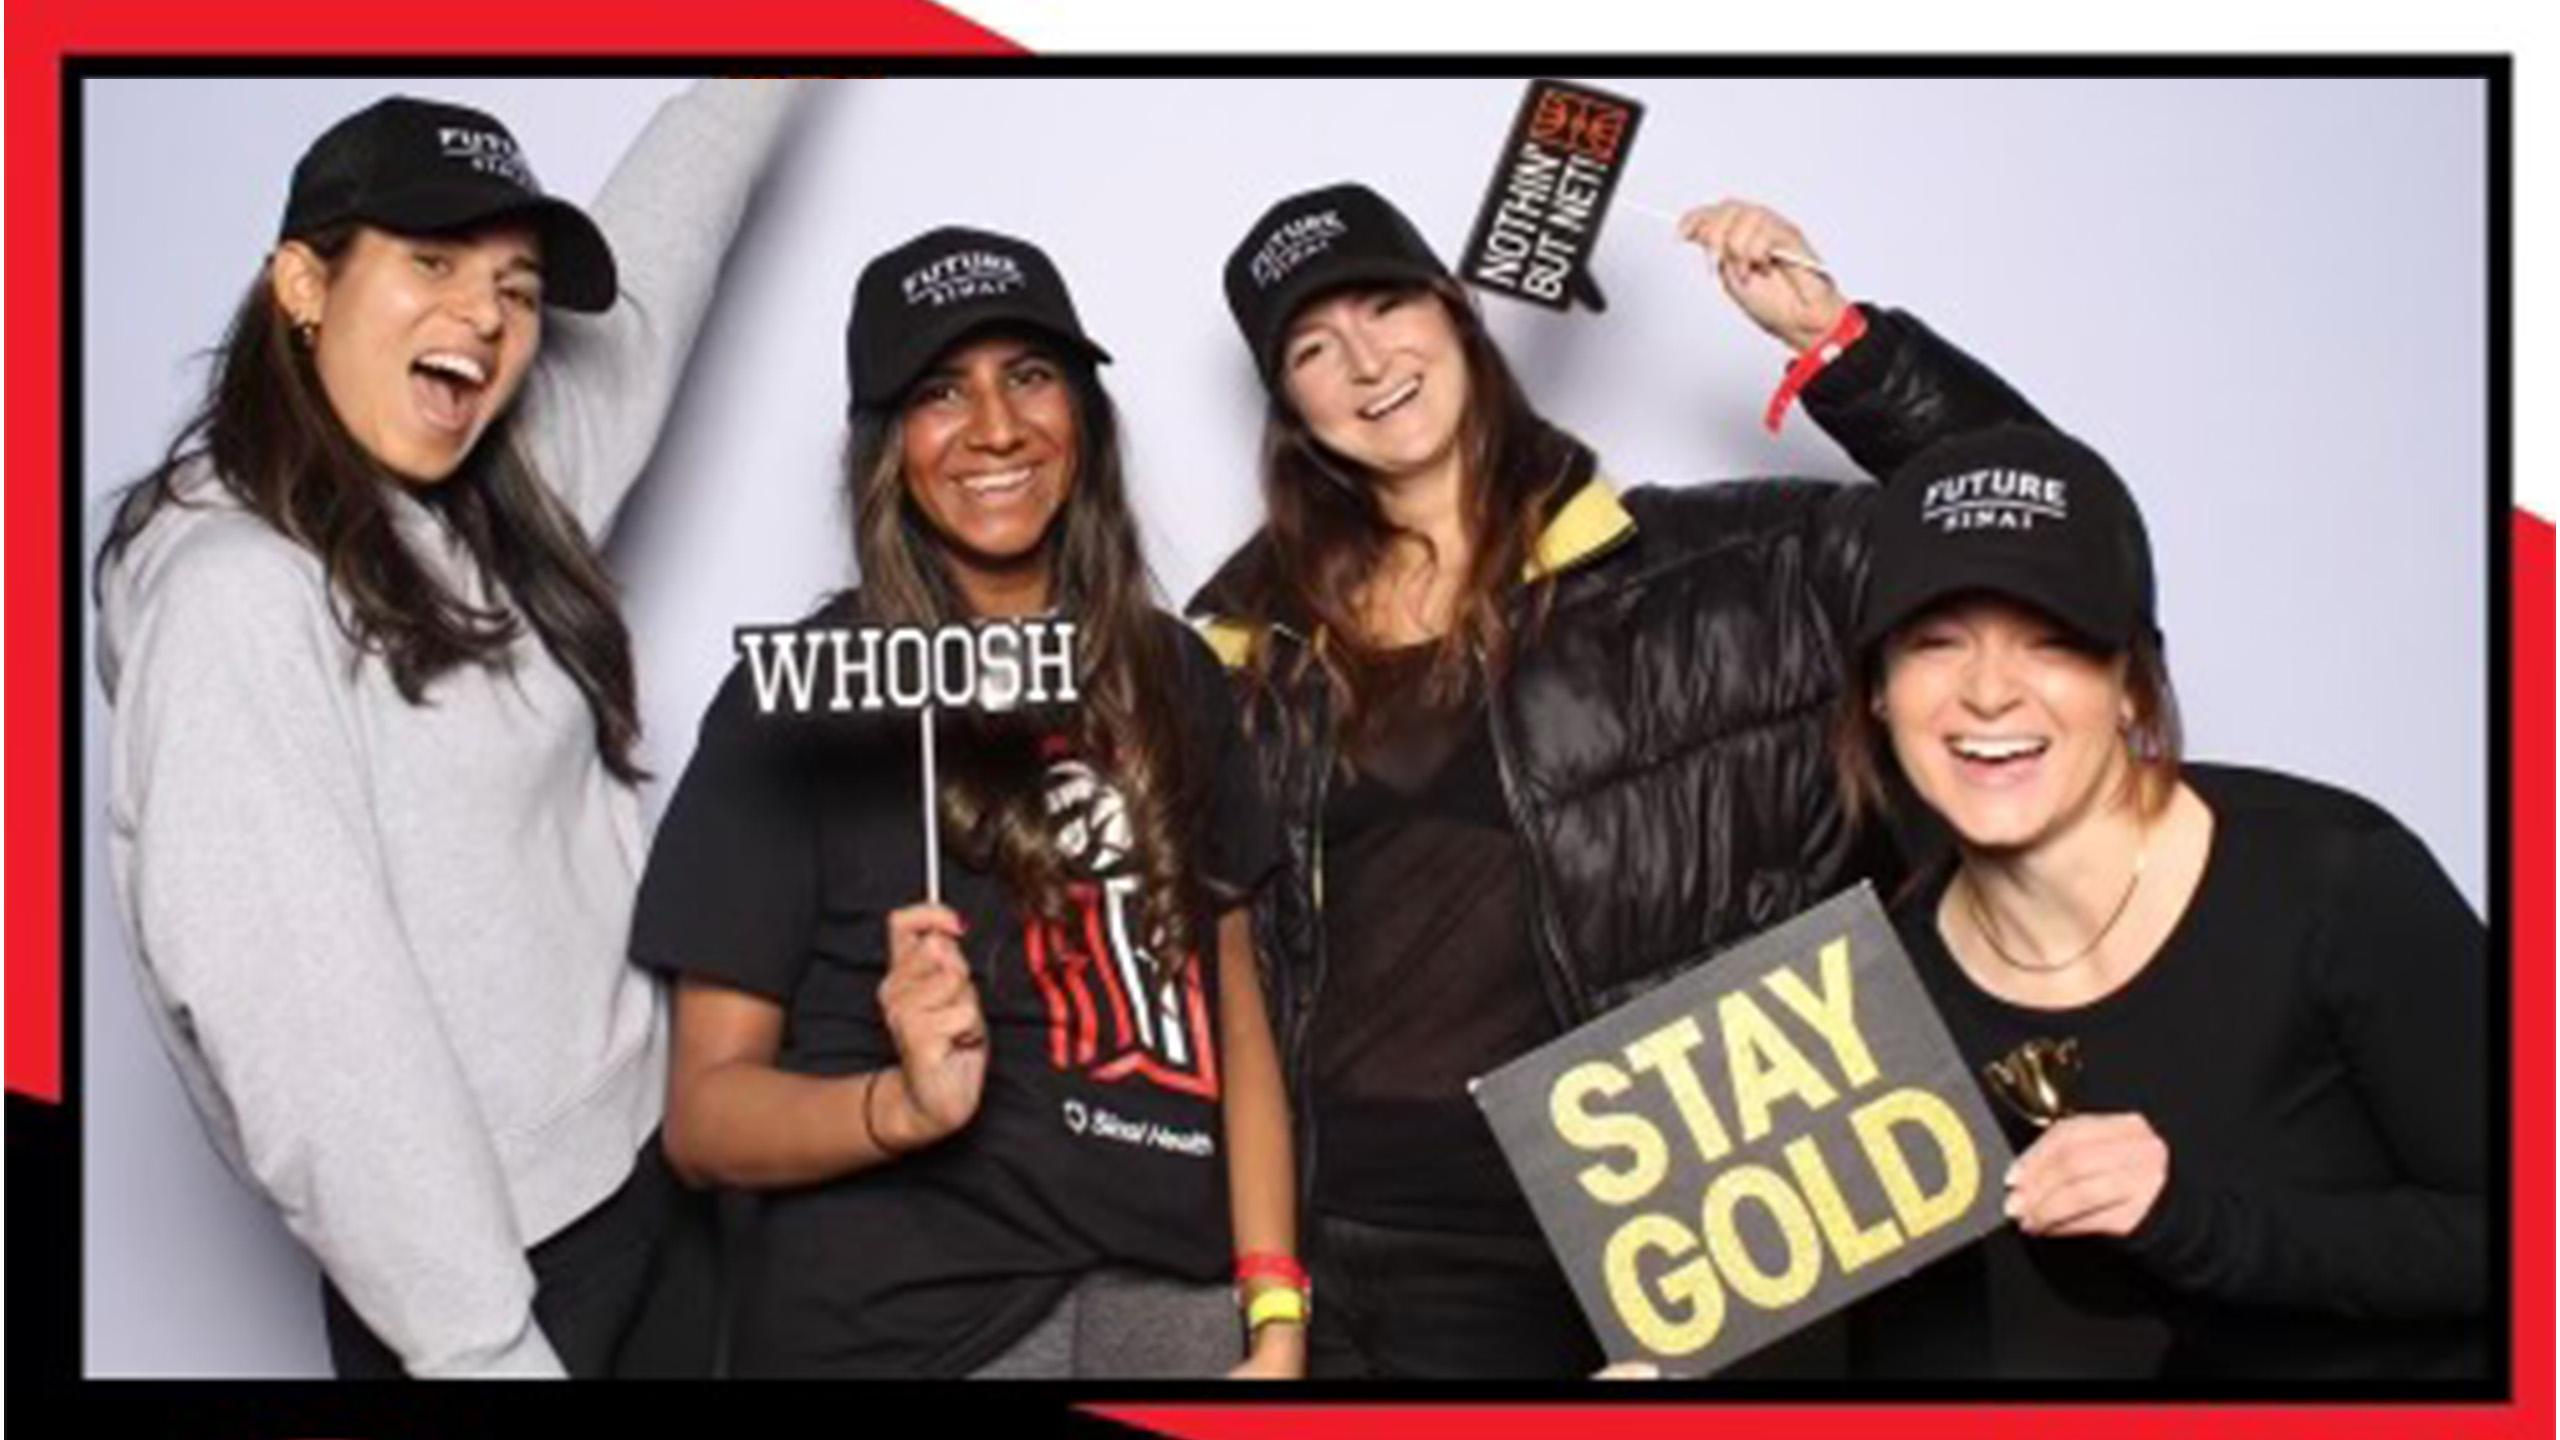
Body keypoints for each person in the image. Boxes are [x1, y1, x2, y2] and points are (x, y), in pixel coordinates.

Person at [1187, 182, 2046, 1378]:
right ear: (1290, 404)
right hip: (1339, 1243)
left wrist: (1840, 346)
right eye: (1312, 349)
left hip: (1621, 1232)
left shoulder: (1725, 570)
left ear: (1453, 310)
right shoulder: (1242, 649)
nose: (1366, 362)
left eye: (1384, 307)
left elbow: (2035, 532)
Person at [94, 81, 804, 1378]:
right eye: (432, 262)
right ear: (303, 285)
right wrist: (485, 1351)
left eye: (516, 286)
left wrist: (784, 57)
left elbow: (657, 262)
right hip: (503, 1290)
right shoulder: (234, 601)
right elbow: (316, 1049)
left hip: (660, 1181)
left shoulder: (489, 495)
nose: (483, 313)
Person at [631, 226, 1303, 1379]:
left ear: (1082, 417)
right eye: (940, 391)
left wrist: (1275, 1315)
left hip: (1174, 1311)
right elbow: (703, 1123)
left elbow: (1232, 1016)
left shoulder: (1172, 673)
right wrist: (903, 1106)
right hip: (914, 1326)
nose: (995, 428)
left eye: (1029, 376)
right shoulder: (793, 704)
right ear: (886, 446)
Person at [1838, 424, 2487, 1379]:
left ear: (2135, 685)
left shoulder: (2335, 877)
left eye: (2052, 641)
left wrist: (2192, 1219)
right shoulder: (1883, 998)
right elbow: (1925, 1360)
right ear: (1881, 694)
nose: (1986, 693)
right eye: (1935, 643)